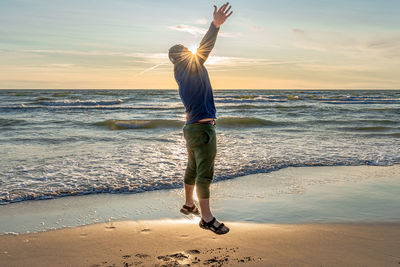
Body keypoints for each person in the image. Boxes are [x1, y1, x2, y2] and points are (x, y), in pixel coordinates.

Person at [168, 3, 233, 235]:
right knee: (205, 173)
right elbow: (205, 47)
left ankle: (188, 204)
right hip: (203, 129)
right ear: (182, 56)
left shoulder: (181, 73)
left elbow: (200, 51)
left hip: (191, 128)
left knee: (192, 168)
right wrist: (215, 25)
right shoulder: (190, 67)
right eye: (186, 50)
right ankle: (207, 218)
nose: (190, 51)